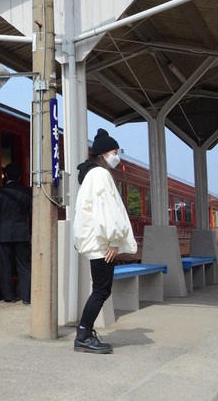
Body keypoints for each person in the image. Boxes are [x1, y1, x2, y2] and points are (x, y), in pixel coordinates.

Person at [73, 128, 137, 354]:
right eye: (113, 150)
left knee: (101, 289)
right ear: (102, 153)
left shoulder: (92, 175)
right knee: (101, 290)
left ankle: (84, 333)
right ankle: (82, 335)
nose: (116, 155)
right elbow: (106, 210)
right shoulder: (99, 175)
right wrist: (112, 240)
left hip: (98, 241)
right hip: (102, 243)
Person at [0, 162, 32, 305]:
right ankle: (26, 297)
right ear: (20, 176)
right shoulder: (27, 192)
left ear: (6, 175)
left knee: (5, 266)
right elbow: (32, 213)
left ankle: (9, 297)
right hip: (22, 233)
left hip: (5, 233)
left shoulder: (0, 192)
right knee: (24, 265)